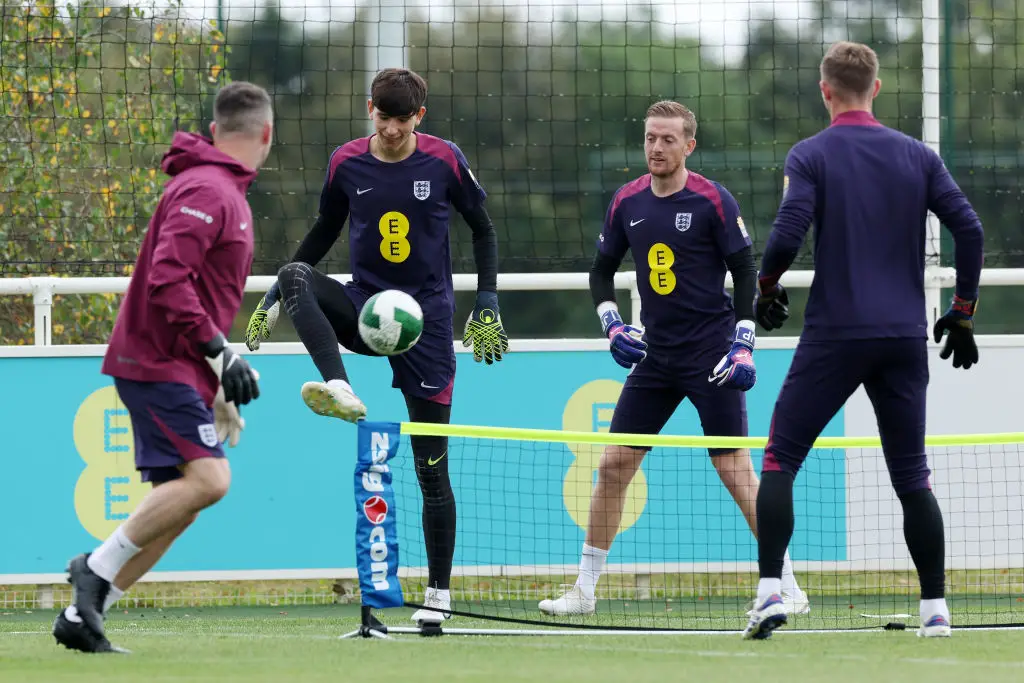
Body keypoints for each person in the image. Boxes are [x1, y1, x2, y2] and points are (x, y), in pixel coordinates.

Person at [244, 68, 508, 625]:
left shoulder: (443, 160)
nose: (391, 129)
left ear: (420, 116)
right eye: (383, 117)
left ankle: (437, 597)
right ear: (371, 110)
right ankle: (339, 384)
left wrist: (487, 302)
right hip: (366, 310)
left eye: (402, 119)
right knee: (294, 273)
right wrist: (271, 299)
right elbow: (323, 229)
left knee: (431, 468)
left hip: (428, 325)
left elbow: (483, 230)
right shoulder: (346, 162)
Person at [742, 41, 984, 640]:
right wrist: (962, 312)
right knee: (911, 475)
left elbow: (788, 230)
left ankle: (771, 593)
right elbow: (970, 229)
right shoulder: (917, 156)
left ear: (825, 91)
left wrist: (766, 288)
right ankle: (936, 611)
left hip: (835, 333)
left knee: (779, 459)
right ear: (876, 88)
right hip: (903, 335)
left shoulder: (811, 154)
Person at [538, 100, 808, 618]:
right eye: (649, 138)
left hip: (712, 356)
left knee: (735, 472)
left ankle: (787, 585)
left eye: (667, 140)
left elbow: (747, 272)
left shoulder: (713, 200)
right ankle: (584, 590)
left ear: (689, 145)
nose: (656, 148)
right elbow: (600, 272)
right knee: (614, 465)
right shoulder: (627, 201)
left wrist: (743, 343)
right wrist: (612, 325)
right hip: (655, 355)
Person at [53, 82, 273, 653]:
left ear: (217, 127)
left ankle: (85, 616)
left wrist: (217, 376)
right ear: (267, 135)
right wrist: (220, 353)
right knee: (211, 480)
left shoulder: (218, 188)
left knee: (183, 502)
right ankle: (93, 571)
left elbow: (196, 289)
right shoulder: (209, 188)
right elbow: (167, 281)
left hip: (176, 364)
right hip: (157, 362)